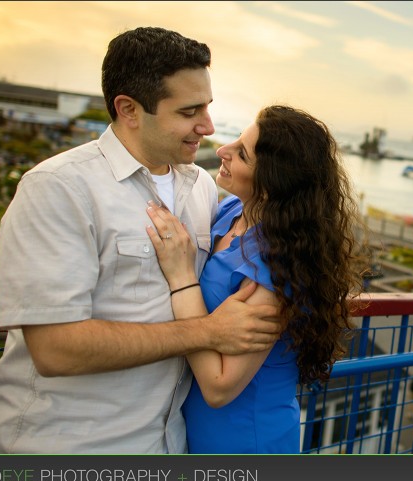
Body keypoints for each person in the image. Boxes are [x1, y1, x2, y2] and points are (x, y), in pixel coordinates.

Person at [0, 27, 282, 454]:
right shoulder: (59, 188)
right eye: (189, 111)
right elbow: (55, 350)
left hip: (166, 446)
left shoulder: (200, 186)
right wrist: (208, 332)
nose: (208, 126)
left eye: (208, 107)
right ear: (129, 109)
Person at [144, 105, 369, 453]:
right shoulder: (232, 213)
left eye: (242, 154)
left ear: (272, 184)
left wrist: (181, 277)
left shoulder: (277, 262)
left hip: (246, 441)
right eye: (235, 141)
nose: (222, 150)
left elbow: (220, 387)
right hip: (193, 433)